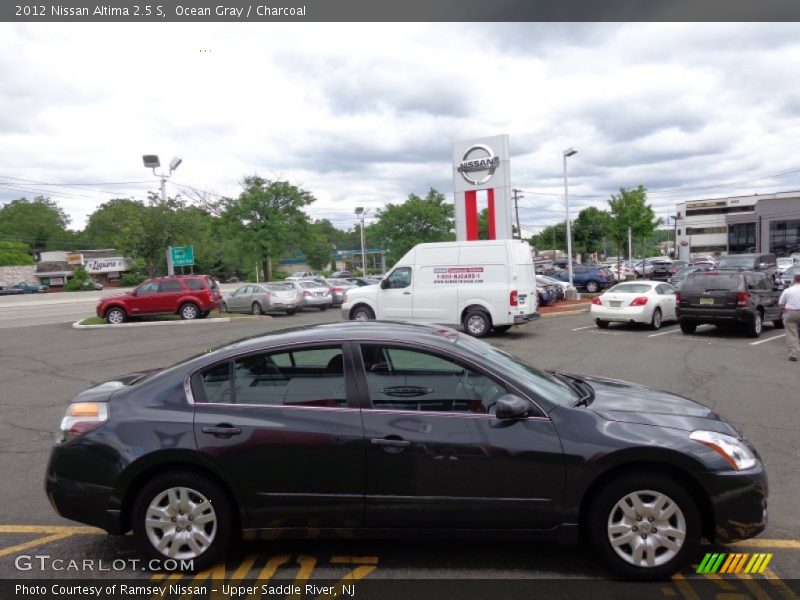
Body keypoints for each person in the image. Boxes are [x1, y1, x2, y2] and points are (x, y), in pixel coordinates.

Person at [778, 273, 800, 361]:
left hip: (791, 312)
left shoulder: (787, 290)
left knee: (791, 333)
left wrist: (784, 309)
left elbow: (781, 304)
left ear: (794, 280)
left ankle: (793, 354)